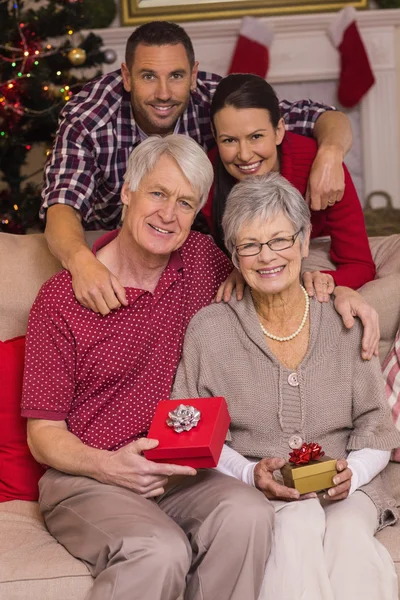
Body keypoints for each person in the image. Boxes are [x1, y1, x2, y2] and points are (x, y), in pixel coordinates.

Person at [22, 135, 274, 600]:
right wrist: (108, 466)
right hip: (87, 474)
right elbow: (43, 432)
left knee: (248, 514)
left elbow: (272, 280)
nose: (168, 214)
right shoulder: (60, 299)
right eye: (158, 194)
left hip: (182, 470)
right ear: (127, 191)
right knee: (159, 550)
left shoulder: (202, 262)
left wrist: (332, 288)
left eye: (184, 203)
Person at [172, 172, 400, 600]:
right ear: (234, 256)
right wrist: (248, 473)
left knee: (349, 534)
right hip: (259, 489)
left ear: (303, 239)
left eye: (279, 239)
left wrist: (354, 473)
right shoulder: (209, 329)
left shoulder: (342, 317)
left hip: (350, 483)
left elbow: (376, 425)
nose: (267, 256)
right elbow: (190, 430)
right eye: (251, 245)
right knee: (296, 527)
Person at [41, 20, 353, 316]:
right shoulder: (89, 117)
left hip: (191, 235)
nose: (164, 93)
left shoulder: (215, 100)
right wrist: (83, 262)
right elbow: (61, 206)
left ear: (193, 75)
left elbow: (320, 116)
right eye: (148, 76)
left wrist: (330, 151)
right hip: (109, 237)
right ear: (126, 76)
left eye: (176, 76)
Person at [207, 73, 375, 294]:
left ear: (279, 131)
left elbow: (360, 264)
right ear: (214, 135)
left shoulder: (318, 165)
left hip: (311, 257)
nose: (245, 155)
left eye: (256, 136)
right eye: (229, 140)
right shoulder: (207, 174)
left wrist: (317, 281)